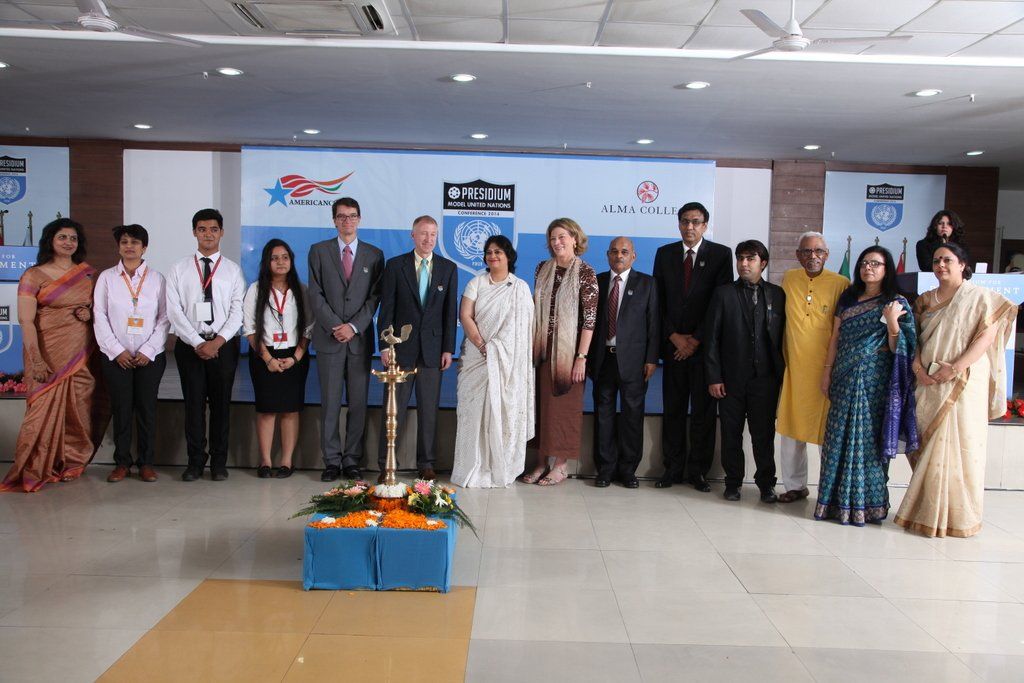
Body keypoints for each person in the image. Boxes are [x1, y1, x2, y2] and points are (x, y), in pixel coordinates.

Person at [895, 243, 1017, 537]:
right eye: (936, 260)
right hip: (928, 382)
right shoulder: (924, 300)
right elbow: (913, 340)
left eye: (947, 260)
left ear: (963, 264)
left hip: (964, 383)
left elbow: (986, 337)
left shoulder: (981, 297)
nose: (941, 265)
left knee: (962, 447)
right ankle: (924, 512)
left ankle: (959, 518)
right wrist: (918, 369)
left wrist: (956, 367)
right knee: (928, 446)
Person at [1, 219, 108, 493]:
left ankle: (72, 462)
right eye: (62, 237)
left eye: (73, 238)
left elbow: (101, 311)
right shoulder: (33, 275)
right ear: (50, 240)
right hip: (45, 353)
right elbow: (26, 321)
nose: (68, 242)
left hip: (81, 354)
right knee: (39, 414)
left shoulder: (86, 274)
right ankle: (33, 466)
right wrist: (36, 360)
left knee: (78, 410)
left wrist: (90, 313)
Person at [815, 246, 918, 526]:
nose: (867, 268)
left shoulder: (895, 302)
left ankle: (867, 506)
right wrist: (827, 372)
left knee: (867, 443)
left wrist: (893, 322)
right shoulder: (848, 298)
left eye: (875, 263)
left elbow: (901, 348)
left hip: (874, 382)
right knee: (837, 439)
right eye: (864, 263)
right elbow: (835, 338)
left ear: (887, 269)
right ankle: (832, 504)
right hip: (843, 377)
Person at [652, 201, 732, 490]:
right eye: (685, 221)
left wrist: (695, 339)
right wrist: (673, 336)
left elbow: (719, 304)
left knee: (703, 413)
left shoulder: (721, 255)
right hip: (673, 347)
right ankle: (672, 468)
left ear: (705, 225)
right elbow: (657, 301)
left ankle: (698, 471)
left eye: (696, 222)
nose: (690, 227)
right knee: (672, 411)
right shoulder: (665, 254)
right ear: (678, 224)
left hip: (704, 350)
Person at [165, 208, 245, 482]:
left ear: (221, 232)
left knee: (221, 406)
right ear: (194, 232)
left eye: (213, 229)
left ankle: (219, 463)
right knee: (194, 406)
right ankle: (195, 462)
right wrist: (199, 342)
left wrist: (218, 342)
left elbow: (237, 311)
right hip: (191, 347)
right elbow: (174, 311)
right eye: (202, 229)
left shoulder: (232, 270)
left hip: (224, 346)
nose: (208, 234)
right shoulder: (179, 269)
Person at [376, 215, 458, 482]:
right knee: (393, 409)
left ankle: (427, 464)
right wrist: (384, 346)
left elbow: (449, 313)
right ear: (413, 235)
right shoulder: (395, 266)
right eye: (423, 233)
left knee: (429, 409)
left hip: (433, 350)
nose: (428, 239)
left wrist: (448, 349)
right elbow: (386, 309)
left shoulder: (448, 268)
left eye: (433, 234)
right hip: (400, 350)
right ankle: (386, 464)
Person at [308, 197, 384, 482]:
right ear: (334, 220)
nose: (347, 221)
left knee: (358, 404)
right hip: (329, 340)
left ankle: (352, 460)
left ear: (359, 219)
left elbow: (374, 297)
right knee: (330, 404)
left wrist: (353, 326)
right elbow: (315, 294)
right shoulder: (319, 251)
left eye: (352, 216)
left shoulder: (374, 255)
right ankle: (331, 460)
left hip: (358, 341)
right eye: (341, 216)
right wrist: (335, 326)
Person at [704, 240, 786, 502]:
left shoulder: (777, 294)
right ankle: (733, 483)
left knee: (764, 436)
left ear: (763, 263)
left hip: (765, 380)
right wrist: (714, 377)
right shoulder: (723, 294)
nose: (743, 263)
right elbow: (711, 339)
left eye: (750, 258)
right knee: (731, 434)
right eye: (740, 258)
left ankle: (766, 484)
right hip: (730, 380)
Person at [451, 235, 535, 488]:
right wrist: (482, 345)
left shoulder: (519, 288)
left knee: (502, 414)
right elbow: (465, 315)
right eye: (489, 252)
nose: (493, 256)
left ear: (508, 256)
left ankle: (500, 468)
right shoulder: (477, 282)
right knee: (471, 413)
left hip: (507, 363)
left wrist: (498, 350)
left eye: (498, 252)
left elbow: (522, 330)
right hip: (476, 358)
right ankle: (471, 468)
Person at [521, 218, 599, 486]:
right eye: (553, 238)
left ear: (575, 239)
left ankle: (561, 465)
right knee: (540, 406)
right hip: (541, 350)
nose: (557, 242)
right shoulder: (542, 268)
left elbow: (589, 321)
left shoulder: (586, 273)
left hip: (569, 354)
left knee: (564, 408)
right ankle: (540, 462)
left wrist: (581, 358)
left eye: (562, 237)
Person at [776, 232, 849, 503]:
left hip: (826, 371)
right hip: (794, 370)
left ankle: (829, 488)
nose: (812, 256)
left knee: (827, 431)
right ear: (798, 255)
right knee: (791, 431)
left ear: (827, 255)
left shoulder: (841, 284)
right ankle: (795, 486)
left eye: (818, 251)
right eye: (806, 251)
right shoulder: (789, 279)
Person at [92, 224, 169, 483]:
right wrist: (117, 351)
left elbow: (165, 317)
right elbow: (99, 315)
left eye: (135, 242)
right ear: (118, 247)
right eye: (124, 242)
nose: (129, 246)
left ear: (144, 247)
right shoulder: (107, 278)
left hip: (150, 357)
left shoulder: (157, 279)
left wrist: (148, 350)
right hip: (116, 358)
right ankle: (122, 463)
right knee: (121, 409)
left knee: (147, 410)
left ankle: (146, 463)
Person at [589, 236, 659, 489]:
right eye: (614, 251)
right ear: (608, 255)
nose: (619, 256)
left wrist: (651, 358)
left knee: (632, 417)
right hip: (603, 360)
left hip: (634, 362)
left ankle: (628, 470)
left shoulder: (647, 283)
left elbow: (654, 323)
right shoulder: (596, 282)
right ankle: (605, 469)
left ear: (634, 256)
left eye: (624, 252)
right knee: (603, 416)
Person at [243, 239, 312, 479]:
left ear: (291, 260)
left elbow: (308, 328)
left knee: (290, 410)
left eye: (285, 257)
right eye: (274, 258)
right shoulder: (255, 290)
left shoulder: (302, 290)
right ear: (266, 262)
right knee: (267, 410)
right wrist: (268, 358)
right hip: (264, 355)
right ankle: (265, 461)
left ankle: (286, 461)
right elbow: (250, 328)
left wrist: (295, 357)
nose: (280, 262)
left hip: (294, 356)